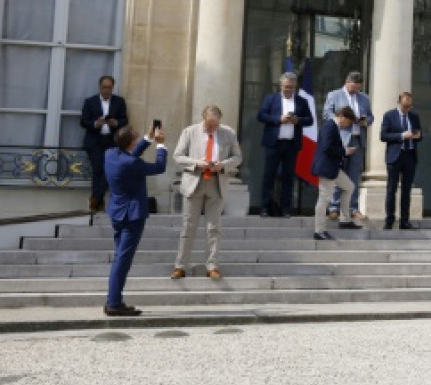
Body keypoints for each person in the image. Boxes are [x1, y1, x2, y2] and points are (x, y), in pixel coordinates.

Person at [170, 105, 242, 280]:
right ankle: (180, 265)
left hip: (216, 183)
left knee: (214, 227)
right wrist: (196, 163)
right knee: (189, 226)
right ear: (203, 119)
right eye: (209, 124)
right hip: (195, 181)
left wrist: (223, 164)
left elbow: (238, 157)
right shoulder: (190, 132)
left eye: (215, 125)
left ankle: (212, 265)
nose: (212, 128)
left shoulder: (228, 133)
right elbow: (177, 156)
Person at [103, 123, 167, 316]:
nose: (138, 140)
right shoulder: (131, 163)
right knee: (122, 260)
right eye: (137, 138)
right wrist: (160, 145)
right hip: (132, 215)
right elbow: (159, 167)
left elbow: (130, 156)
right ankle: (113, 303)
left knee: (120, 258)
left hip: (117, 211)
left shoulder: (110, 154)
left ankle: (115, 300)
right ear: (130, 142)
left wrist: (148, 139)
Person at [256, 72, 313, 218]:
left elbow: (310, 120)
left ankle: (286, 209)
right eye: (286, 87)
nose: (288, 89)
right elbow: (261, 115)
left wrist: (297, 120)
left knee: (288, 177)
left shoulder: (301, 101)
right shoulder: (271, 99)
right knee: (269, 175)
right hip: (273, 143)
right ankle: (265, 207)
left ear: (295, 86)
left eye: (291, 87)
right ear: (280, 85)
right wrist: (279, 119)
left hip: (291, 145)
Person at [322, 72, 372, 219]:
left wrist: (365, 121)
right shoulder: (334, 95)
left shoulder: (364, 98)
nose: (355, 90)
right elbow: (326, 114)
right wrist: (343, 120)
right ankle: (334, 207)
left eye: (358, 88)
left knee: (354, 175)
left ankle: (353, 208)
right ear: (346, 82)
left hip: (357, 139)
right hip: (341, 139)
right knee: (339, 173)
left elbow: (370, 116)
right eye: (353, 87)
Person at [310, 106, 363, 240]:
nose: (348, 125)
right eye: (349, 122)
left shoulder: (332, 126)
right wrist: (345, 151)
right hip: (327, 168)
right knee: (324, 198)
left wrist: (344, 150)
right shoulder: (330, 126)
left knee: (349, 187)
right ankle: (319, 230)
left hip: (333, 168)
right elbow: (327, 147)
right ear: (343, 116)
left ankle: (345, 219)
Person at [80, 75, 128, 213]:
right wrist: (96, 123)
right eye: (104, 87)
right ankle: (97, 202)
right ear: (99, 87)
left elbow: (125, 120)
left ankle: (95, 200)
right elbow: (83, 121)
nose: (107, 90)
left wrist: (115, 123)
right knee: (98, 170)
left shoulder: (119, 101)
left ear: (113, 88)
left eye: (109, 88)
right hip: (94, 140)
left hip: (111, 141)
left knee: (108, 171)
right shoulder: (90, 102)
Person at [379, 92, 421, 230]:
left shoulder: (414, 116)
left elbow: (419, 135)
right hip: (395, 156)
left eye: (409, 105)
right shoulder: (389, 115)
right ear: (399, 102)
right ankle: (389, 219)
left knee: (406, 190)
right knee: (391, 189)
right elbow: (384, 135)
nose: (407, 108)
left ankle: (404, 220)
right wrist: (402, 135)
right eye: (405, 104)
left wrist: (417, 136)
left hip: (410, 155)